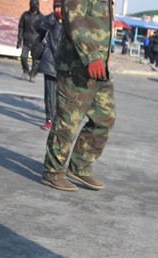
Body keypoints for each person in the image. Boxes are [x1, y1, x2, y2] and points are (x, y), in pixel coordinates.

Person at [41, 0, 116, 192]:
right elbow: (74, 17)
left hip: (99, 68)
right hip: (77, 66)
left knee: (104, 118)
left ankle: (80, 166)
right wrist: (92, 56)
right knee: (68, 120)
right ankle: (53, 171)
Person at [34, 3, 63, 131]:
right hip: (50, 61)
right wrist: (52, 17)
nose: (58, 9)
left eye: (61, 7)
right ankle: (50, 119)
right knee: (50, 93)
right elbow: (37, 25)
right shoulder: (52, 19)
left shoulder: (72, 21)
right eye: (56, 7)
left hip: (65, 64)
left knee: (63, 94)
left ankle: (61, 119)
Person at [16, 0, 43, 82]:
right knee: (23, 56)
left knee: (36, 60)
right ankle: (26, 70)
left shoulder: (41, 17)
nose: (33, 6)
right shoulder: (25, 15)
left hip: (37, 40)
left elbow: (45, 30)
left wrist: (43, 40)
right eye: (32, 5)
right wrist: (19, 39)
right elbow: (21, 27)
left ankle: (33, 74)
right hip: (27, 40)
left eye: (35, 5)